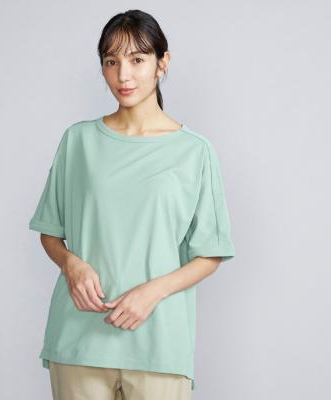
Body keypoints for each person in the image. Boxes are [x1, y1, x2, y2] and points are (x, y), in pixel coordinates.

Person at [28, 9, 235, 400]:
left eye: (137, 60)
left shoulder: (195, 151)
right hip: (78, 340)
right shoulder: (78, 142)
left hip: (159, 344)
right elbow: (50, 232)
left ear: (162, 63)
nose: (123, 75)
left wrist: (152, 292)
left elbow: (210, 253)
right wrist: (71, 264)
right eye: (111, 62)